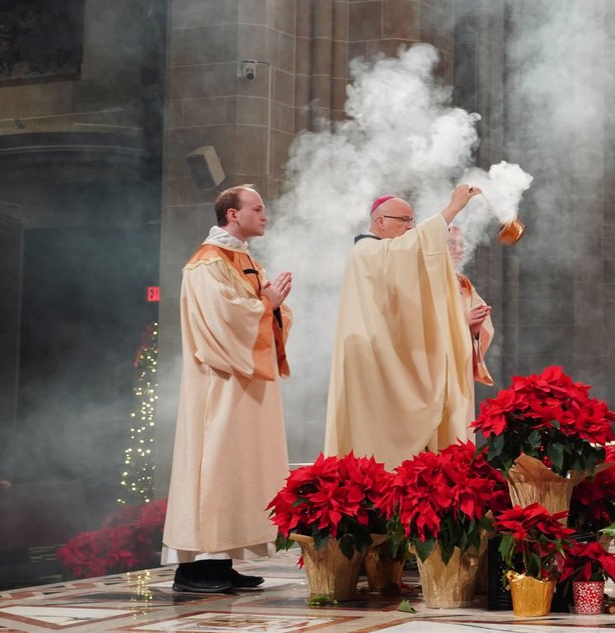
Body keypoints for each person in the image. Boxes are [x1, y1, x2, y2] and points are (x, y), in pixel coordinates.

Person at [162, 185, 293, 594]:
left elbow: (266, 309)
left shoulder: (245, 259)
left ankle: (221, 562)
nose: (265, 215)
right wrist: (267, 304)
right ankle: (196, 569)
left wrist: (273, 307)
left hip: (243, 383)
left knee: (236, 468)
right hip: (218, 384)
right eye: (257, 208)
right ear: (233, 214)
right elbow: (223, 320)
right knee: (214, 466)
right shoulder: (206, 263)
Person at [324, 183, 483, 469]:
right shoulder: (366, 252)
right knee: (378, 452)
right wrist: (452, 209)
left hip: (390, 356)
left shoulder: (385, 253)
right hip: (373, 364)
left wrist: (463, 328)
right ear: (380, 221)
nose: (411, 227)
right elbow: (412, 249)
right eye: (404, 220)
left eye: (412, 220)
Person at [446, 226, 495, 392]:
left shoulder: (462, 283)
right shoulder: (422, 280)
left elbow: (484, 330)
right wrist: (461, 322)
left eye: (462, 245)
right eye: (452, 243)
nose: (458, 250)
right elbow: (417, 330)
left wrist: (475, 331)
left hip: (459, 371)